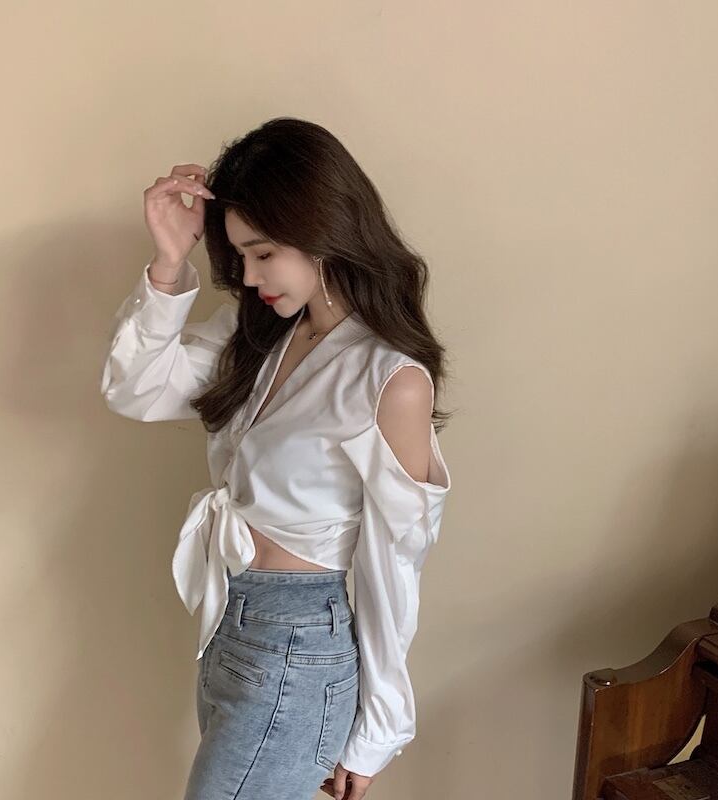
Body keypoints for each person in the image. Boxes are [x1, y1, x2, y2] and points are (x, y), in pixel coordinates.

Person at [100, 117, 454, 800]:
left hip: (299, 649)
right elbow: (133, 389)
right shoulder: (259, 334)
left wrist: (379, 729)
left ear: (323, 230)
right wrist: (169, 260)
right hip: (229, 630)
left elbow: (395, 562)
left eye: (263, 253)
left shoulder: (389, 378)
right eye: (239, 256)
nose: (248, 276)